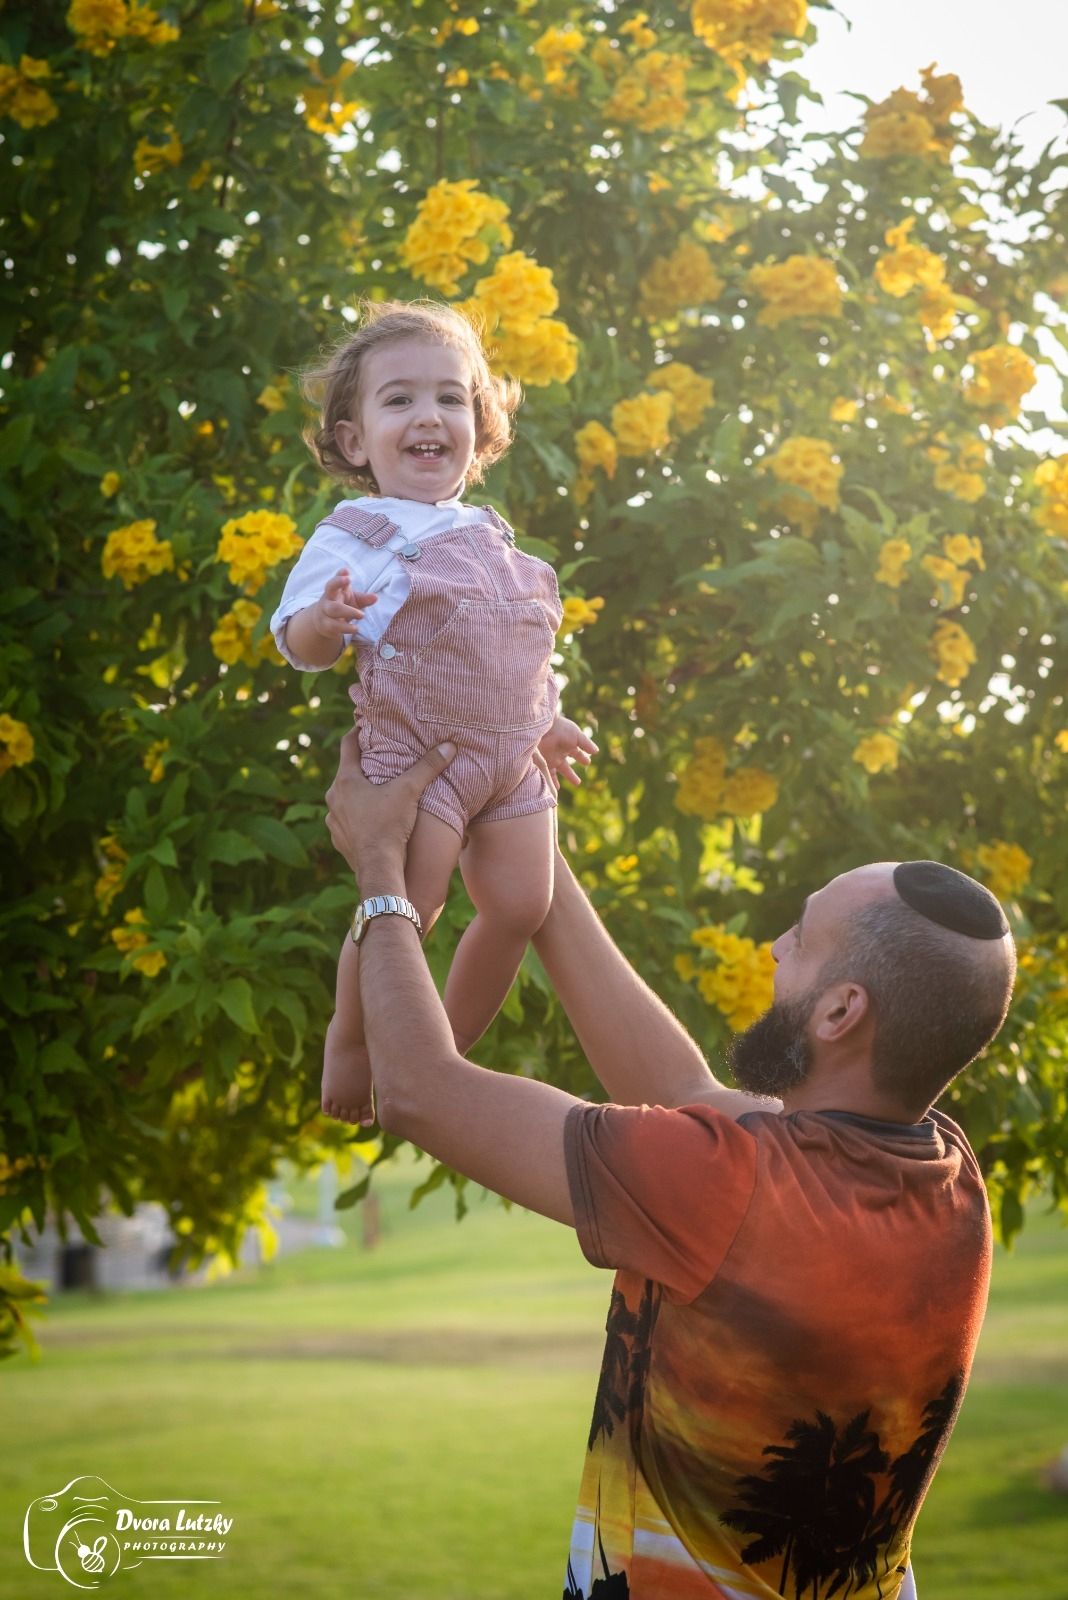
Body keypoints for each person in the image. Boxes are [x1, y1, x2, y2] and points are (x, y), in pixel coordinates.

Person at [324, 735, 1017, 1600]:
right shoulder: (948, 1180)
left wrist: (380, 867)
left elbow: (420, 1089)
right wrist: (523, 820)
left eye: (799, 939)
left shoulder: (728, 1185)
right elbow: (683, 1086)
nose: (771, 948)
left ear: (842, 1011)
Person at [270, 299, 597, 1126]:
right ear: (355, 441)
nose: (429, 416)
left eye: (451, 398)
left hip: (512, 760)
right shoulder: (356, 534)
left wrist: (546, 718)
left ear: (480, 428)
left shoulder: (491, 533)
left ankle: (434, 1053)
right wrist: (325, 622)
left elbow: (514, 655)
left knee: (524, 903)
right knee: (408, 906)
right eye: (400, 399)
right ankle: (353, 1039)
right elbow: (295, 639)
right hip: (424, 762)